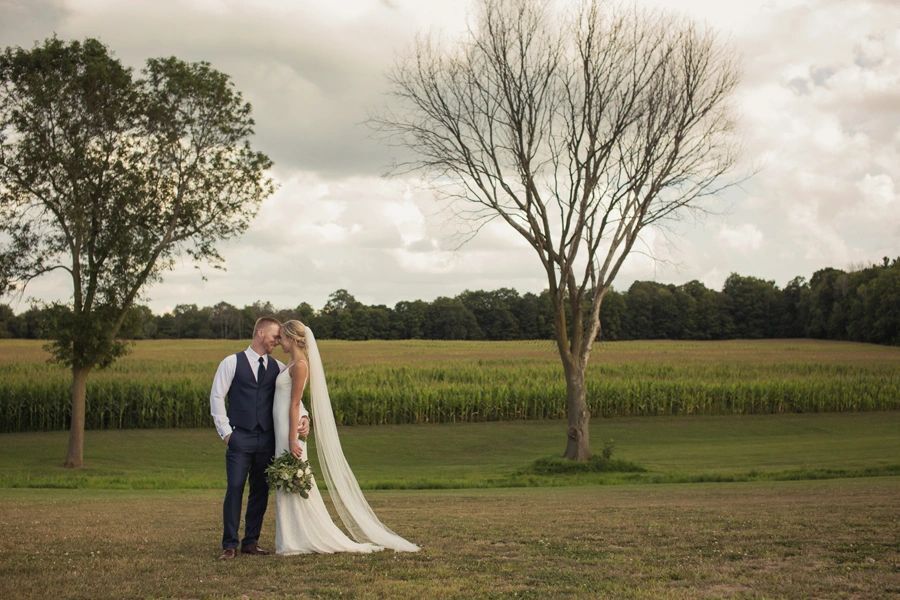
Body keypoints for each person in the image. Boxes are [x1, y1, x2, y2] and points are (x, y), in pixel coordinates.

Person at [274, 320, 419, 554]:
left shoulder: (300, 365)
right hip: (283, 426)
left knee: (293, 477)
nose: (279, 341)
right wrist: (305, 417)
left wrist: (292, 438)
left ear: (292, 338)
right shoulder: (289, 363)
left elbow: (294, 404)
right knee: (288, 479)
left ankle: (296, 539)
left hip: (288, 429)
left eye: (281, 337)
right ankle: (293, 537)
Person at [209, 317, 310, 560]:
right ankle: (229, 544)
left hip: (267, 439)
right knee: (235, 487)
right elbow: (217, 397)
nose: (278, 341)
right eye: (275, 336)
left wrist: (306, 416)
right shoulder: (231, 362)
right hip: (239, 437)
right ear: (261, 333)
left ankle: (250, 542)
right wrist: (227, 433)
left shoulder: (278, 367)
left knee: (260, 491)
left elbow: (292, 396)